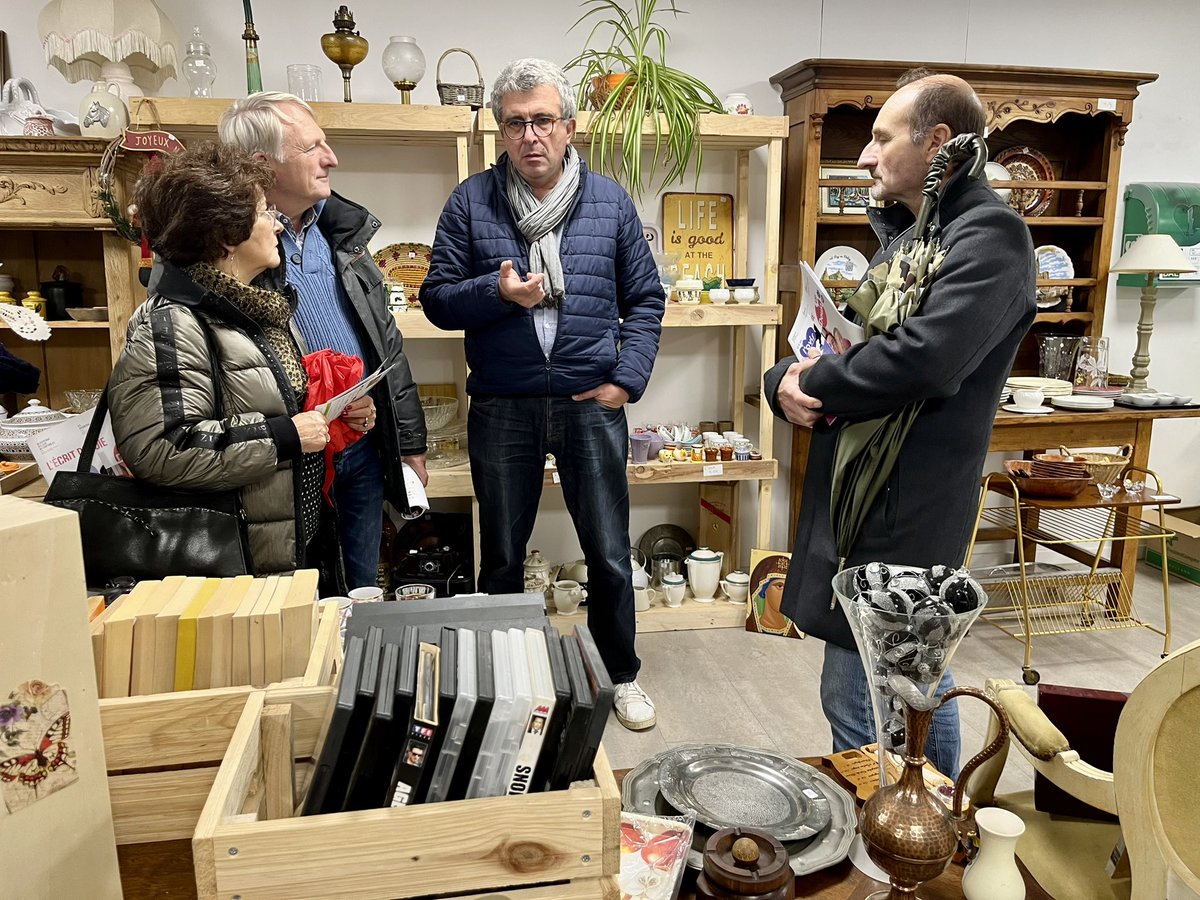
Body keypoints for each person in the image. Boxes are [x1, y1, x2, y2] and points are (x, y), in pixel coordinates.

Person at [763, 70, 1036, 777]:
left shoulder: (993, 237)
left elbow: (925, 360)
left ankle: (923, 840)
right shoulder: (915, 240)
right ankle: (909, 826)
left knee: (890, 694)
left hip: (909, 510)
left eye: (882, 138)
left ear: (937, 141)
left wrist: (812, 382)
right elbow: (838, 341)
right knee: (874, 685)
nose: (864, 156)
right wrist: (779, 383)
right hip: (862, 501)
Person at [421, 58, 665, 731]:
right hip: (504, 405)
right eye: (515, 123)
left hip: (591, 403)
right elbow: (437, 299)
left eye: (543, 121)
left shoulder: (610, 202)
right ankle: (504, 681)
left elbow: (646, 299)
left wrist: (626, 379)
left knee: (610, 551)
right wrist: (494, 293)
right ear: (501, 132)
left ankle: (621, 675)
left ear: (569, 127)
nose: (530, 135)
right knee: (501, 550)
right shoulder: (471, 201)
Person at [218, 92, 428, 591]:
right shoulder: (229, 248)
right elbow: (233, 374)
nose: (331, 158)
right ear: (262, 164)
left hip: (361, 443)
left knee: (362, 592)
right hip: (285, 462)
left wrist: (410, 441)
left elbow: (386, 345)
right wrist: (310, 416)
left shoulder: (339, 231)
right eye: (313, 147)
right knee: (299, 599)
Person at [109, 142, 338, 574]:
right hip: (228, 564)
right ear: (224, 236)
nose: (276, 224)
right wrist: (284, 435)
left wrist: (333, 412)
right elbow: (162, 447)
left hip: (281, 546)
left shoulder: (255, 309)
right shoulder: (175, 322)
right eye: (265, 212)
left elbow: (275, 407)